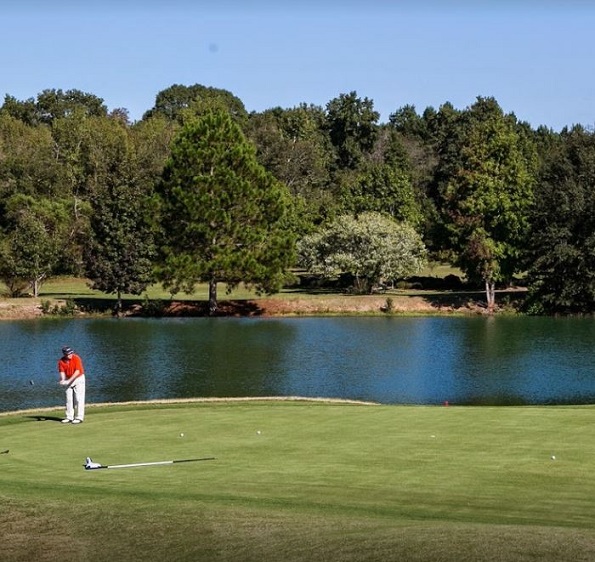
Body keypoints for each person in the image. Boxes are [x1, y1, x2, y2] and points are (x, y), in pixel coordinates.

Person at [57, 346, 86, 424]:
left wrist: (69, 381)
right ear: (64, 354)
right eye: (68, 353)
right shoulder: (61, 361)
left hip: (79, 378)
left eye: (71, 353)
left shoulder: (76, 358)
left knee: (78, 398)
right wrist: (63, 380)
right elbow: (62, 372)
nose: (70, 354)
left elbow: (77, 371)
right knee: (68, 399)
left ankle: (79, 417)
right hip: (68, 378)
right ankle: (69, 417)